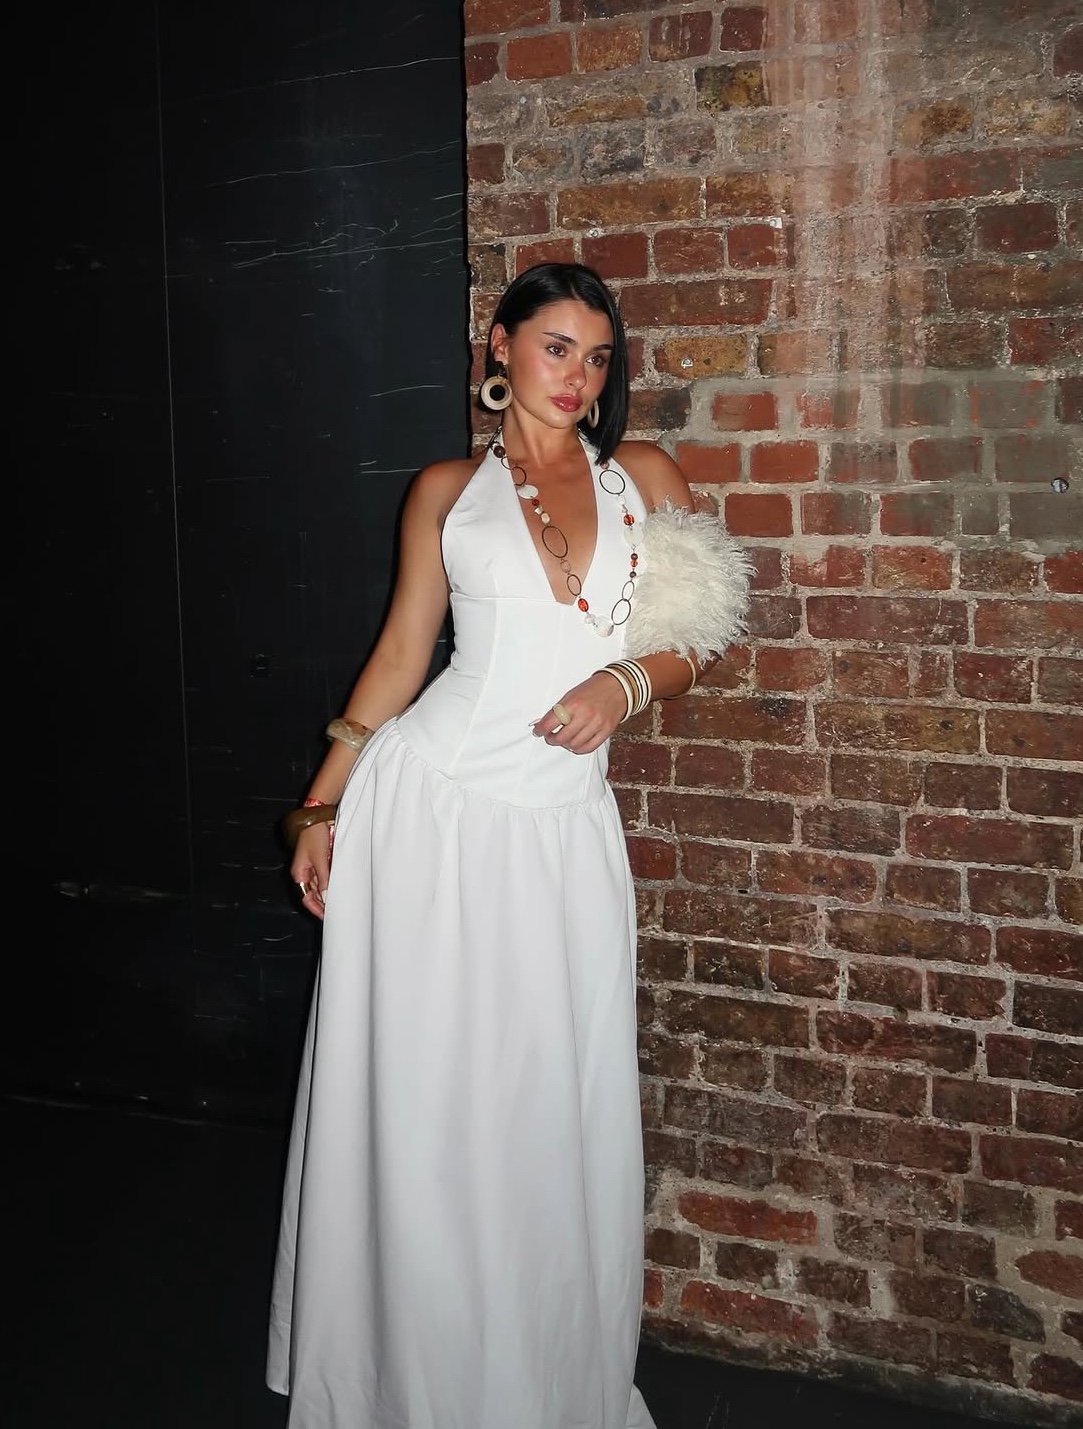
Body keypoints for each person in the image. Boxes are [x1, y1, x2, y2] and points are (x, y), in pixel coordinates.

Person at [266, 262, 750, 1429]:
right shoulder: (447, 490)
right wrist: (320, 808)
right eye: (555, 348)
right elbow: (401, 658)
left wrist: (624, 684)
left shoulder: (645, 477)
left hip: (561, 831)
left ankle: (538, 1382)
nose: (577, 376)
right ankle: (411, 1380)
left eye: (597, 357)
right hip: (427, 817)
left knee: (547, 1105)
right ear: (500, 346)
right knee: (427, 1106)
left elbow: (700, 635)